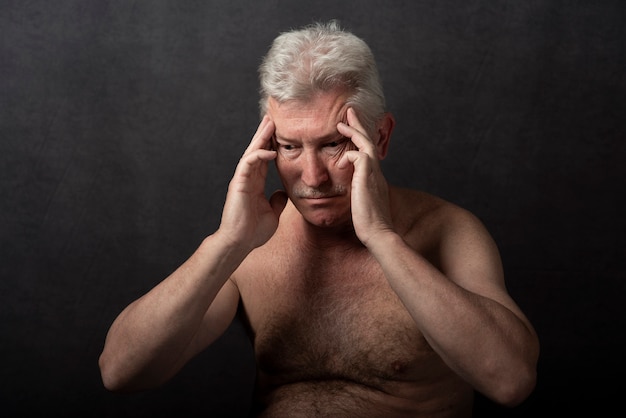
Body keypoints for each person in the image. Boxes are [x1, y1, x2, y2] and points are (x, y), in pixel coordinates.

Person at [99, 20, 540, 417]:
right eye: (290, 147)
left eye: (333, 145)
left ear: (380, 137)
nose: (311, 177)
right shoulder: (249, 248)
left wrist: (383, 238)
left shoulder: (447, 231)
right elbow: (121, 372)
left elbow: (510, 381)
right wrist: (227, 242)